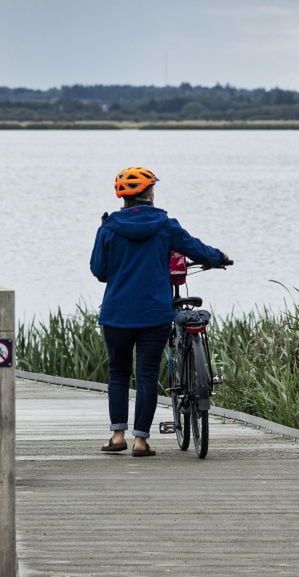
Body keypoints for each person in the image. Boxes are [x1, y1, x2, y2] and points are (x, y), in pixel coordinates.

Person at [90, 166, 230, 456]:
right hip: (154, 313)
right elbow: (195, 249)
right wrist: (219, 258)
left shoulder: (108, 228)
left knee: (118, 372)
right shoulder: (166, 226)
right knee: (147, 375)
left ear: (123, 197)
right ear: (150, 193)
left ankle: (118, 436)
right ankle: (141, 441)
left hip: (117, 313)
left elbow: (99, 271)